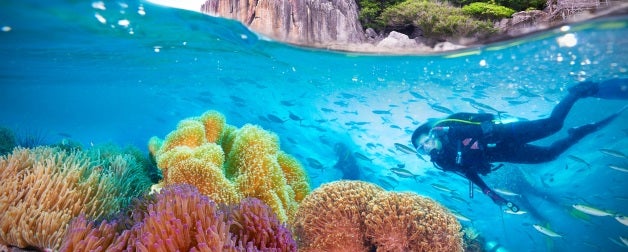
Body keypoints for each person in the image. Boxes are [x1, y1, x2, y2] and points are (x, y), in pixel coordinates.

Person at [411, 79, 627, 212]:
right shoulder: (442, 161)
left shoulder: (451, 129)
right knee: (550, 155)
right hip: (505, 152)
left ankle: (576, 92)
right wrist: (489, 192)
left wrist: (471, 139)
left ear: (432, 133)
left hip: (507, 133)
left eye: (427, 141)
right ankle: (579, 133)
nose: (428, 148)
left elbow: (481, 123)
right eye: (423, 149)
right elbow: (468, 173)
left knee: (553, 125)